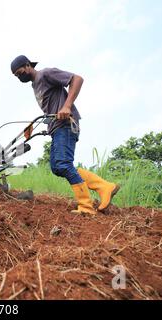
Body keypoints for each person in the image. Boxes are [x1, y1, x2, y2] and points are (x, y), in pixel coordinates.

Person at [10, 55, 120, 215]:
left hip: (66, 124)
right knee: (57, 167)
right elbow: (51, 108)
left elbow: (77, 79)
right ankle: (104, 187)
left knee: (63, 164)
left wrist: (67, 106)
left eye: (20, 72)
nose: (19, 77)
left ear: (27, 65)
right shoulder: (35, 85)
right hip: (56, 128)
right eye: (16, 76)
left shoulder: (46, 74)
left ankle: (86, 207)